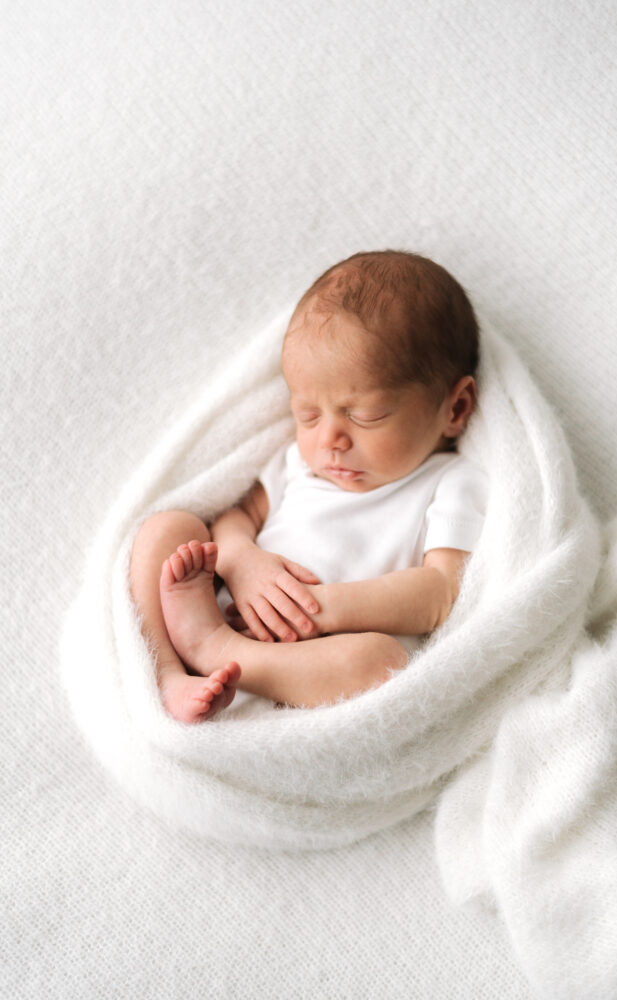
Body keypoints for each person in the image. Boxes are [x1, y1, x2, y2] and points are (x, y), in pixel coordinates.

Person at [129, 250, 487, 722]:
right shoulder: (301, 463)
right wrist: (240, 561)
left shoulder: (451, 481)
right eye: (308, 415)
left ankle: (217, 651)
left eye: (365, 416)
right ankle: (168, 670)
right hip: (222, 603)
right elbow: (238, 518)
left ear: (455, 409)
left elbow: (439, 592)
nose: (330, 440)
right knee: (166, 529)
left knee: (383, 663)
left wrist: (318, 609)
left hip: (315, 660)